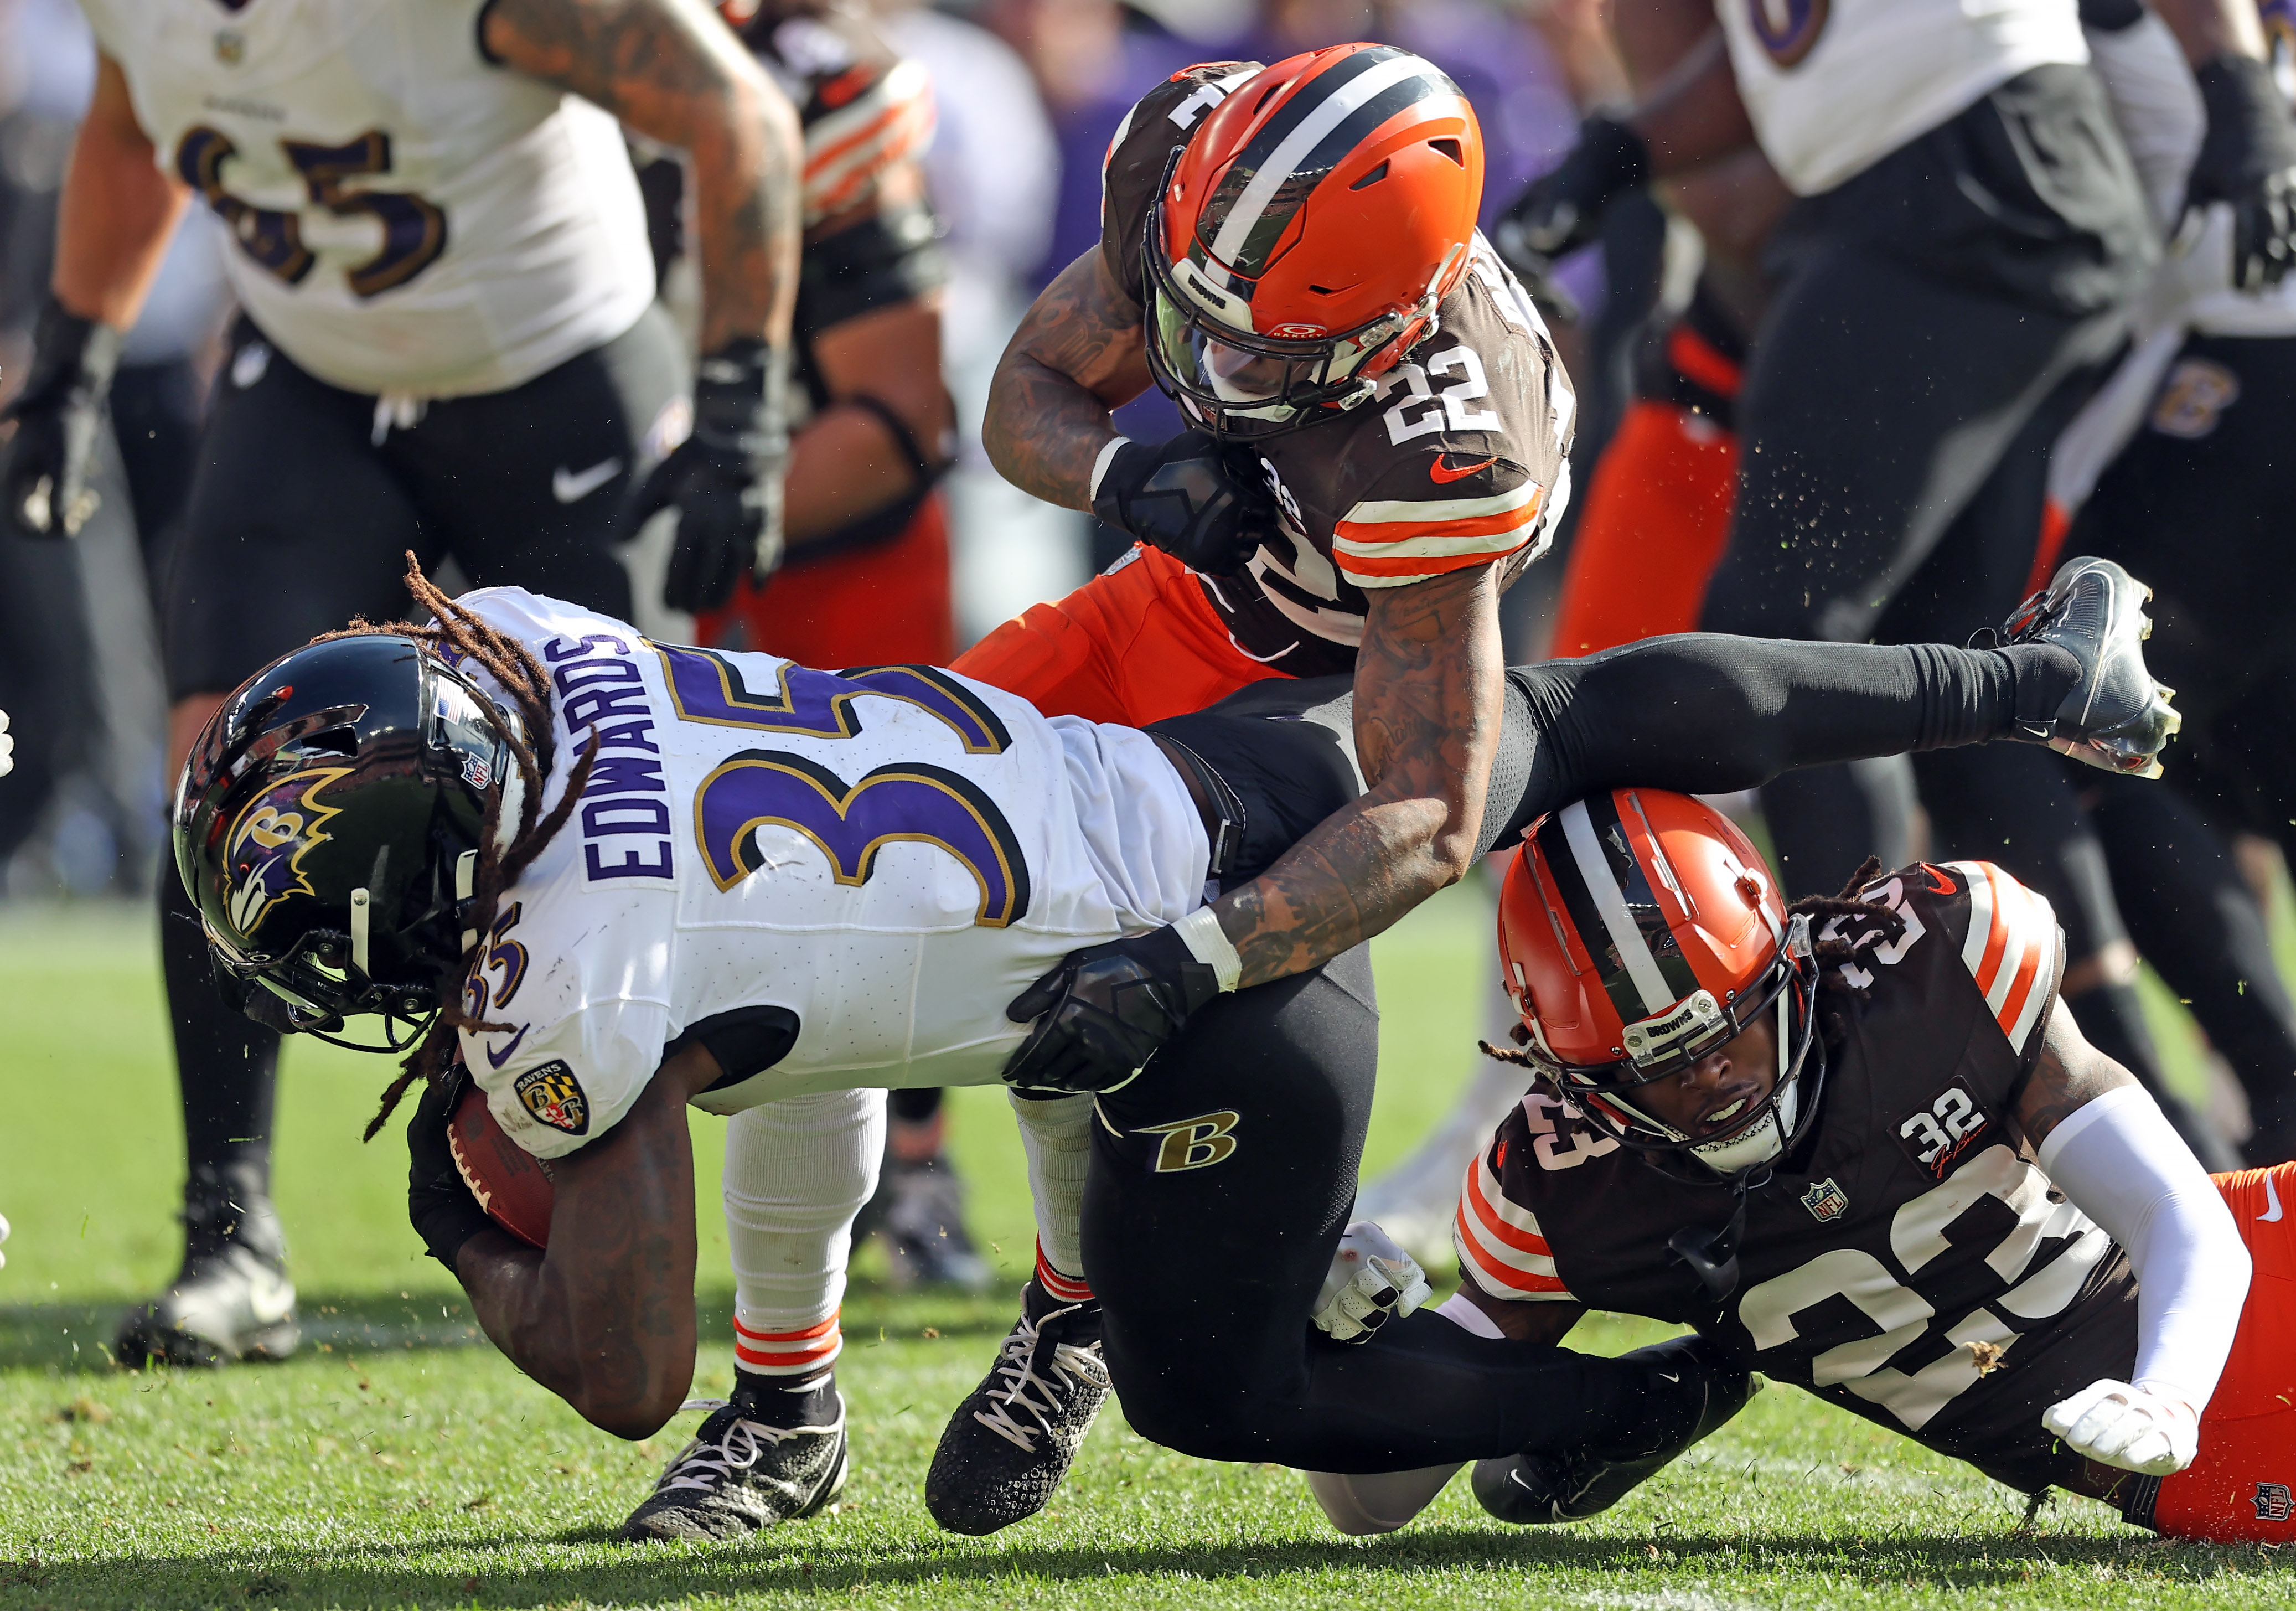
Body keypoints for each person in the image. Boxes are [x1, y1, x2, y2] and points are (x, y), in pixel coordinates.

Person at [169, 550, 2168, 1531]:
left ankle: (1623, 1389)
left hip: (1210, 994)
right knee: (1558, 710)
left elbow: (622, 1370)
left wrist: (450, 1208)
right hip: (1179, 766)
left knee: (1223, 1393)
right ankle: (2024, 670)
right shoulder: (532, 639)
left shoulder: (576, 979)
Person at [0, 0, 805, 1370]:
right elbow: (137, 121)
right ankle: (230, 1234)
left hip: (556, 378)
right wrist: (72, 364)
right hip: (312, 382)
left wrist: (740, 403)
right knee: (218, 782)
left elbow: (741, 116)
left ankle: (642, 1239)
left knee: (605, 825)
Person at [931, 42, 1584, 1522]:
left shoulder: (1452, 447)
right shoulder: (1186, 155)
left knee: (1117, 998)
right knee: (880, 803)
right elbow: (1028, 385)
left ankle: (1071, 1302)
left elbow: (1422, 814)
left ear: (1390, 320)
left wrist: (1194, 955)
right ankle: (786, 1390)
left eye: (1270, 346)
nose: (1217, 371)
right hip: (1157, 600)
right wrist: (1120, 478)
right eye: (1195, 312)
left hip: (1312, 701)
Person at [1310, 787, 2280, 1546]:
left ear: (1785, 960)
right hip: (2202, 1453)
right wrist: (1356, 1344)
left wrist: (2166, 1392)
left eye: (1730, 1024)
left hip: (2219, 1310)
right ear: (1574, 1074)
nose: (1713, 1073)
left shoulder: (1930, 967)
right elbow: (1367, 1502)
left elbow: (2183, 1217)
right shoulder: (1567, 1183)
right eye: (1659, 1064)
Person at [610, 0, 982, 1542]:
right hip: (656, 475)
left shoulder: (817, 84)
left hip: (835, 547)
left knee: (873, 878)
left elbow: (899, 411)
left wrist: (711, 503)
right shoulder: (537, 53)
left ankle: (919, 1173)